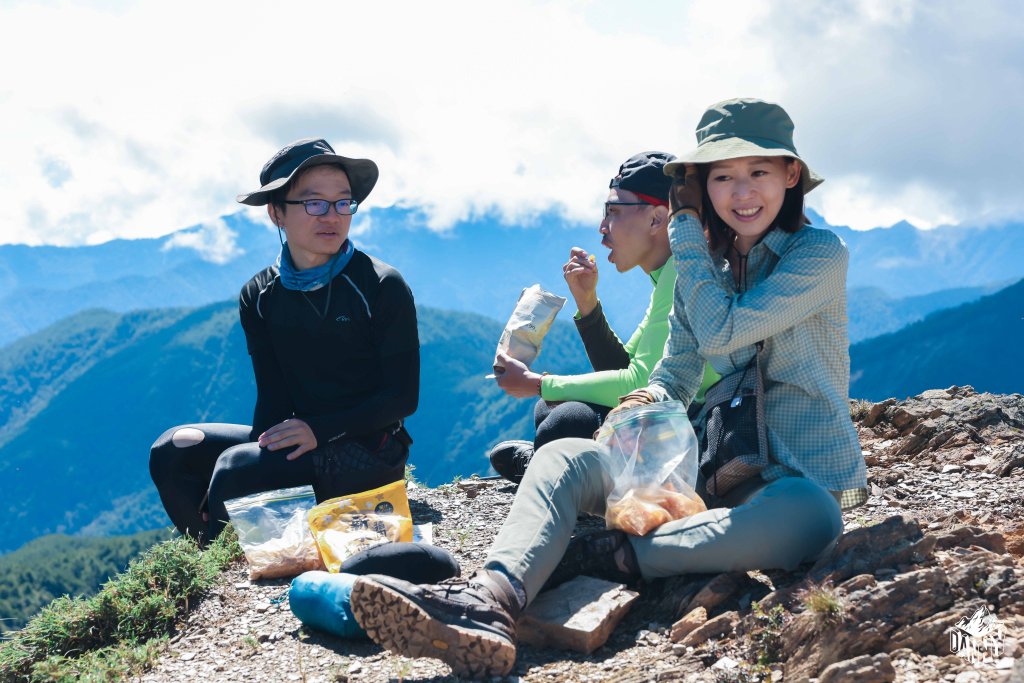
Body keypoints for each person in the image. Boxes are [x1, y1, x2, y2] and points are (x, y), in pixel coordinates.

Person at [348, 99, 868, 678]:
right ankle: (489, 600)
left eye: (758, 173)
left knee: (809, 515)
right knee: (567, 453)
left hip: (789, 480)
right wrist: (641, 405)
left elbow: (726, 330)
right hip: (712, 468)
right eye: (722, 177)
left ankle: (607, 554)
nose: (741, 193)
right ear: (701, 187)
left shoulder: (818, 254)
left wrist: (688, 231)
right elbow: (677, 369)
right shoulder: (708, 269)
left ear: (790, 176)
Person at [149, 138, 419, 543]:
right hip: (301, 440)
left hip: (370, 448)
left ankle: (217, 574)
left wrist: (318, 430)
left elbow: (402, 398)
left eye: (343, 203)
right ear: (276, 213)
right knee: (174, 449)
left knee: (234, 470)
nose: (332, 216)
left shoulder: (379, 285)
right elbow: (272, 396)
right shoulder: (259, 295)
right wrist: (264, 451)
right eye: (314, 203)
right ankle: (211, 550)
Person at [488, 152, 718, 483]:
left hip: (696, 434)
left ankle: (552, 470)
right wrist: (587, 302)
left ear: (657, 219)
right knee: (551, 409)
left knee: (564, 420)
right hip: (676, 422)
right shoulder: (669, 273)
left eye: (613, 212)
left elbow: (641, 383)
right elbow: (625, 366)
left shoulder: (684, 273)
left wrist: (538, 383)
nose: (602, 228)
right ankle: (552, 465)